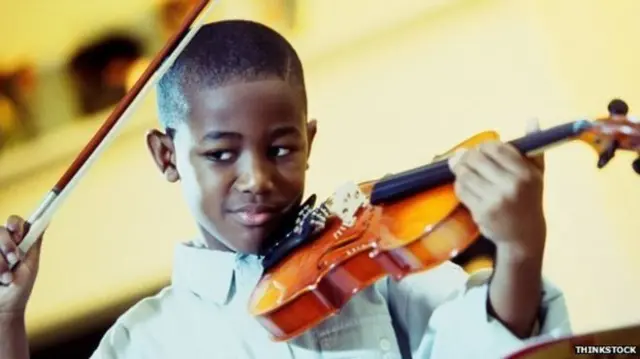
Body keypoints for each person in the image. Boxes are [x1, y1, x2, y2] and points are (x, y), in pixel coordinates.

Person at [0, 20, 571, 359]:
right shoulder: (147, 342)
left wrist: (519, 250)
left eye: (280, 149)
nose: (257, 180)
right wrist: (7, 322)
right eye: (221, 154)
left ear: (308, 140)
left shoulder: (378, 277)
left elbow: (490, 350)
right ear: (167, 156)